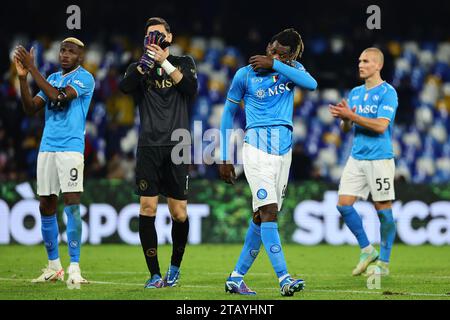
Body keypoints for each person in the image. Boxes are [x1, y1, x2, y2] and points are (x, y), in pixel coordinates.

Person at [219, 28, 317, 296]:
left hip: (284, 152)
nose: (273, 55)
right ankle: (284, 279)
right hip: (257, 149)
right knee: (269, 211)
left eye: (281, 55)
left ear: (290, 57)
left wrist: (277, 65)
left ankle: (236, 277)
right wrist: (224, 155)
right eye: (271, 50)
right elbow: (228, 114)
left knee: (261, 217)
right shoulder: (245, 75)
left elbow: (312, 85)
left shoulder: (291, 69)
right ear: (267, 45)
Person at [119, 17, 198, 288]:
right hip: (149, 146)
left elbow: (190, 88)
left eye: (159, 35)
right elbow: (124, 87)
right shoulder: (138, 68)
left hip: (177, 145)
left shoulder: (184, 62)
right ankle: (154, 274)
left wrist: (163, 61)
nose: (154, 39)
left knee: (179, 213)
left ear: (170, 37)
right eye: (149, 35)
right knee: (148, 207)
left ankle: (174, 268)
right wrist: (144, 67)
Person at [14, 37, 95, 285]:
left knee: (71, 203)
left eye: (71, 52)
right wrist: (22, 77)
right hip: (47, 147)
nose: (65, 54)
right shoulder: (51, 78)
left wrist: (33, 68)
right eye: (62, 50)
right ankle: (53, 267)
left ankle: (74, 267)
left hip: (70, 148)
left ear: (80, 57)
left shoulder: (85, 78)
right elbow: (30, 108)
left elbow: (59, 97)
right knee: (46, 205)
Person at [329, 47, 398, 276]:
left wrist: (353, 117)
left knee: (383, 212)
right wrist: (345, 119)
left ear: (378, 65)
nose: (360, 64)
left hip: (379, 159)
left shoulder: (388, 92)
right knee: (343, 204)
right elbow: (347, 127)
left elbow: (380, 126)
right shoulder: (356, 93)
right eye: (359, 60)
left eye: (366, 61)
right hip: (356, 157)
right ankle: (367, 249)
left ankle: (384, 264)